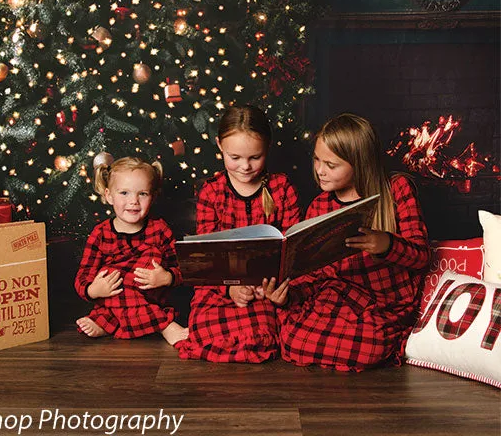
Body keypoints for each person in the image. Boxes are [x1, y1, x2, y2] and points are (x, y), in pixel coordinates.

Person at [265, 113, 430, 371]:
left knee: (369, 347)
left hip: (381, 300)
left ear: (359, 164)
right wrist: (287, 296)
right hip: (336, 295)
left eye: (331, 165)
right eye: (317, 159)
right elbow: (311, 276)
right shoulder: (319, 205)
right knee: (292, 339)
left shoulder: (396, 190)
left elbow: (421, 257)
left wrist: (386, 244)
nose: (320, 170)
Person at [177, 105, 301, 362]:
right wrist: (231, 289)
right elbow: (205, 258)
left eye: (255, 157)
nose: (245, 166)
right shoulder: (212, 191)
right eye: (235, 157)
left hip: (267, 289)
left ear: (267, 148)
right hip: (220, 287)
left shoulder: (281, 188)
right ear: (219, 146)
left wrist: (275, 288)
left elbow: (294, 250)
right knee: (207, 331)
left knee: (261, 336)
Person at [74, 156, 188, 346]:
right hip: (114, 296)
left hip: (149, 296)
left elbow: (184, 268)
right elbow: (83, 275)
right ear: (109, 195)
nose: (134, 201)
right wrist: (93, 290)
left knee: (151, 257)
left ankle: (109, 322)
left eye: (142, 194)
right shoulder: (100, 233)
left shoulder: (159, 229)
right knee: (113, 275)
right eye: (124, 193)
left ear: (153, 195)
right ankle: (164, 325)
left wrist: (167, 277)